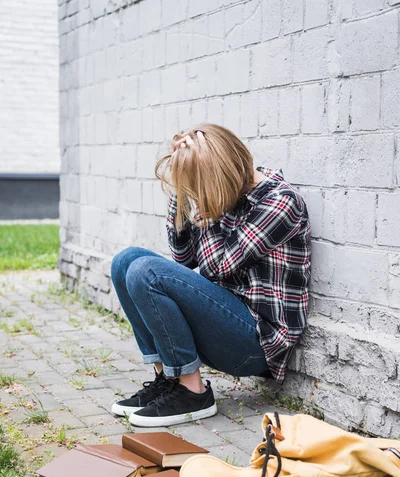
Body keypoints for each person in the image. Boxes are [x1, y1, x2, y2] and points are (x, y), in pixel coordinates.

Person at [110, 124, 311, 427]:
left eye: (195, 185)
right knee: (125, 261)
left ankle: (193, 392)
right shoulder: (224, 192)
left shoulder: (280, 202)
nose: (195, 194)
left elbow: (216, 267)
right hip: (226, 320)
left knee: (144, 271)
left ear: (219, 173)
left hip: (256, 344)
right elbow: (183, 257)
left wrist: (205, 209)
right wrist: (180, 193)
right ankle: (169, 380)